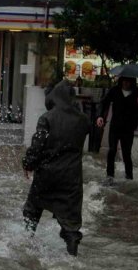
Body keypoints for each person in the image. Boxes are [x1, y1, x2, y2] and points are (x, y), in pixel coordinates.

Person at [23, 80, 90, 256]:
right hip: (71, 179)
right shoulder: (83, 120)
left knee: (32, 210)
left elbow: (37, 147)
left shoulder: (47, 118)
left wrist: (28, 165)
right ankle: (72, 256)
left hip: (47, 175)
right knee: (71, 222)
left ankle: (27, 244)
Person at [96, 77, 138, 182]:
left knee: (126, 153)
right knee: (112, 150)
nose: (126, 83)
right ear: (121, 81)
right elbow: (104, 103)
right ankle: (110, 176)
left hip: (128, 128)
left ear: (132, 82)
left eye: (128, 81)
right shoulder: (115, 90)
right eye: (124, 81)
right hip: (115, 126)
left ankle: (129, 177)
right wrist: (100, 116)